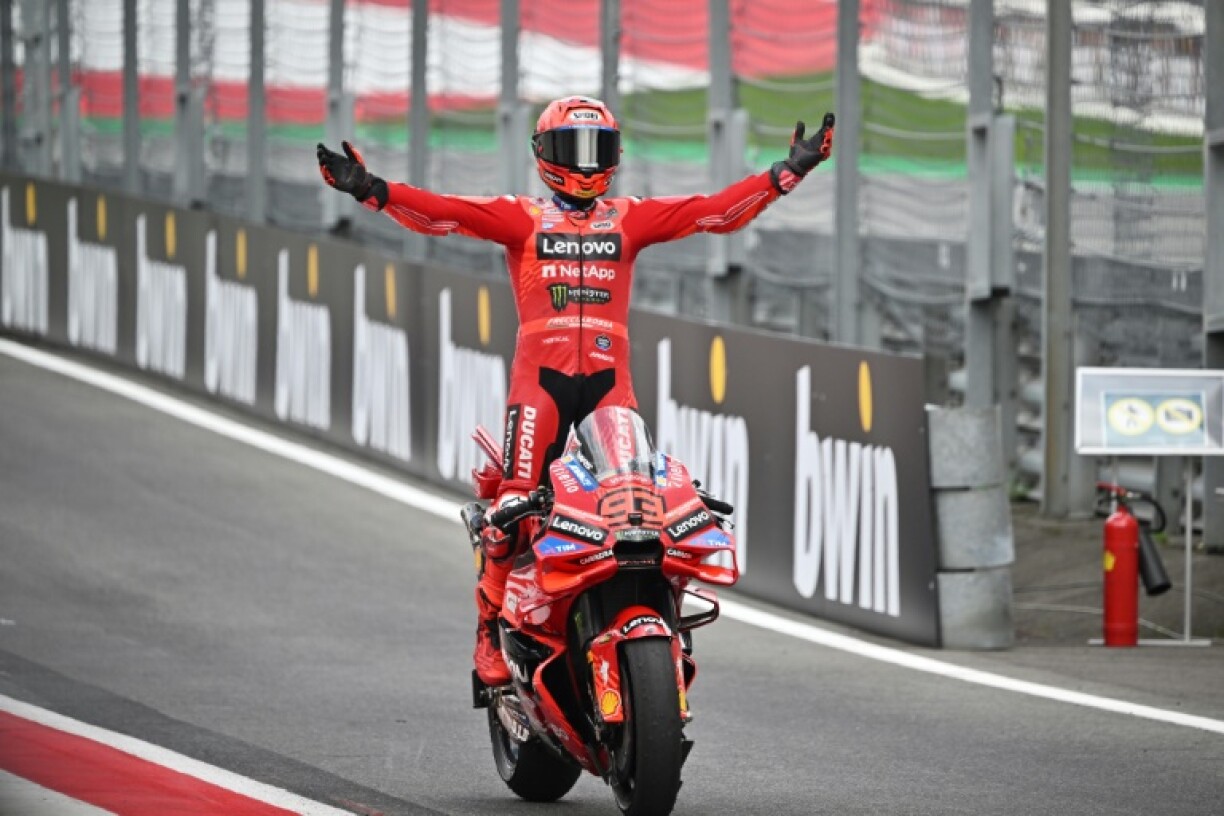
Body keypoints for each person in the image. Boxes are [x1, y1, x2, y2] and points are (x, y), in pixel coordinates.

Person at [317, 96, 834, 686]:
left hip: (610, 389)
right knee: (511, 511)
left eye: (599, 152)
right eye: (573, 151)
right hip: (539, 386)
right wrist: (370, 189)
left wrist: (789, 171)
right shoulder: (522, 218)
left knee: (639, 510)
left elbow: (714, 213)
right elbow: (444, 213)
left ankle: (647, 624)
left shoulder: (630, 218)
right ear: (544, 155)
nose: (587, 166)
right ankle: (489, 629)